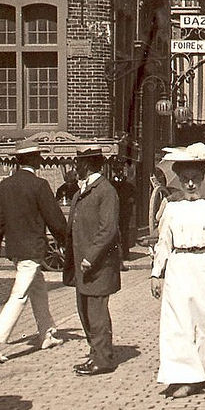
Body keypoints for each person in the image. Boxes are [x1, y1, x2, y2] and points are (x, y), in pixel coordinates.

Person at [151, 144, 205, 398]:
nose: (190, 185)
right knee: (178, 323)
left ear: (201, 181)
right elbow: (163, 242)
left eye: (195, 180)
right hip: (179, 266)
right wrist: (157, 273)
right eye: (185, 180)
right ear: (179, 180)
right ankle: (182, 374)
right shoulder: (172, 208)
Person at [0, 143, 70, 364]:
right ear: (34, 160)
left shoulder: (5, 186)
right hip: (33, 248)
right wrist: (64, 240)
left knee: (38, 288)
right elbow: (55, 219)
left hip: (15, 249)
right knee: (19, 295)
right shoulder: (40, 185)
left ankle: (46, 333)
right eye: (38, 157)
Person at [64, 146, 121, 377]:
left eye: (78, 163)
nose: (75, 167)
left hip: (97, 265)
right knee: (85, 311)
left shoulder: (105, 191)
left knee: (96, 313)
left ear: (88, 165)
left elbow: (107, 229)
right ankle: (95, 353)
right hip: (83, 265)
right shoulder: (83, 191)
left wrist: (90, 256)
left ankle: (103, 359)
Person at [109, 156, 136, 271]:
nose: (118, 171)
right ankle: (116, 254)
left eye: (120, 168)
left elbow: (134, 195)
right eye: (117, 169)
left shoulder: (128, 184)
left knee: (124, 231)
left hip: (125, 211)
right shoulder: (111, 183)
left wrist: (131, 200)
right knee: (114, 231)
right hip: (115, 210)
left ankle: (125, 253)